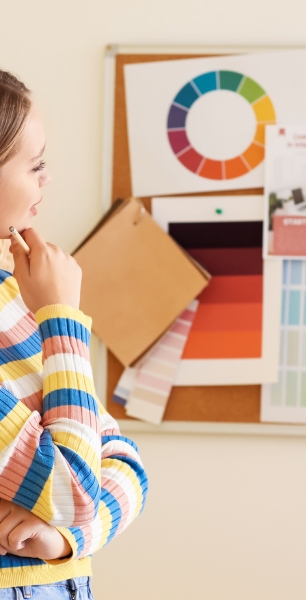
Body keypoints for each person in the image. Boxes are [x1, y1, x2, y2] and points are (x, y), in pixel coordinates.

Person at [0, 70, 148, 598]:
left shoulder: (16, 294)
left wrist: (65, 539)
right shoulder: (43, 305)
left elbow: (124, 461)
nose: (48, 178)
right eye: (35, 164)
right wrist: (61, 318)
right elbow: (75, 488)